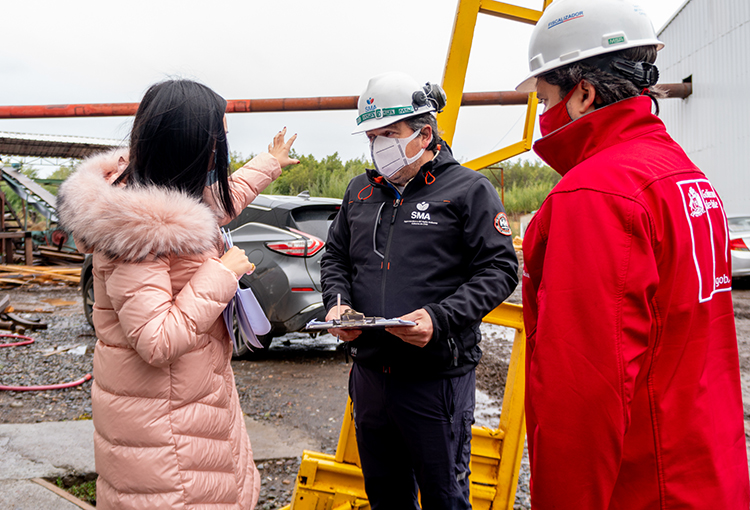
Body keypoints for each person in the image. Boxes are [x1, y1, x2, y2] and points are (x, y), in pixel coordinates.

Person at [517, 0, 750, 508]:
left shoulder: (596, 195)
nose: (542, 113)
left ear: (582, 94)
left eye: (544, 96)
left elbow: (583, 396)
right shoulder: (682, 173)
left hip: (644, 486)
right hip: (707, 474)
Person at [57, 79, 299, 510]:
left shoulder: (164, 198)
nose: (221, 147)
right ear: (189, 145)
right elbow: (157, 338)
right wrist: (221, 274)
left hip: (183, 417)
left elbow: (222, 201)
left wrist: (268, 162)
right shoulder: (139, 232)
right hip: (166, 444)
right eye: (218, 137)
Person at [320, 71, 519, 510]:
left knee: (445, 497)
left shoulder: (468, 190)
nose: (378, 146)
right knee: (385, 496)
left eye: (389, 134)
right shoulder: (360, 191)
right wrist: (338, 305)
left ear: (424, 133)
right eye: (372, 136)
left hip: (435, 381)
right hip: (371, 377)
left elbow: (501, 270)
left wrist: (440, 318)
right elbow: (335, 259)